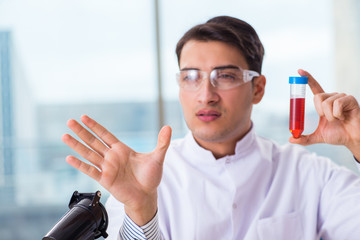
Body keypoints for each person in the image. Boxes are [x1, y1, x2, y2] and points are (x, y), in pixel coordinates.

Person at [62, 16, 360, 240]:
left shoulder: (311, 175)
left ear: (258, 88)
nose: (206, 94)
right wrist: (141, 210)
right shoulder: (140, 183)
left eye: (225, 76)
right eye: (191, 77)